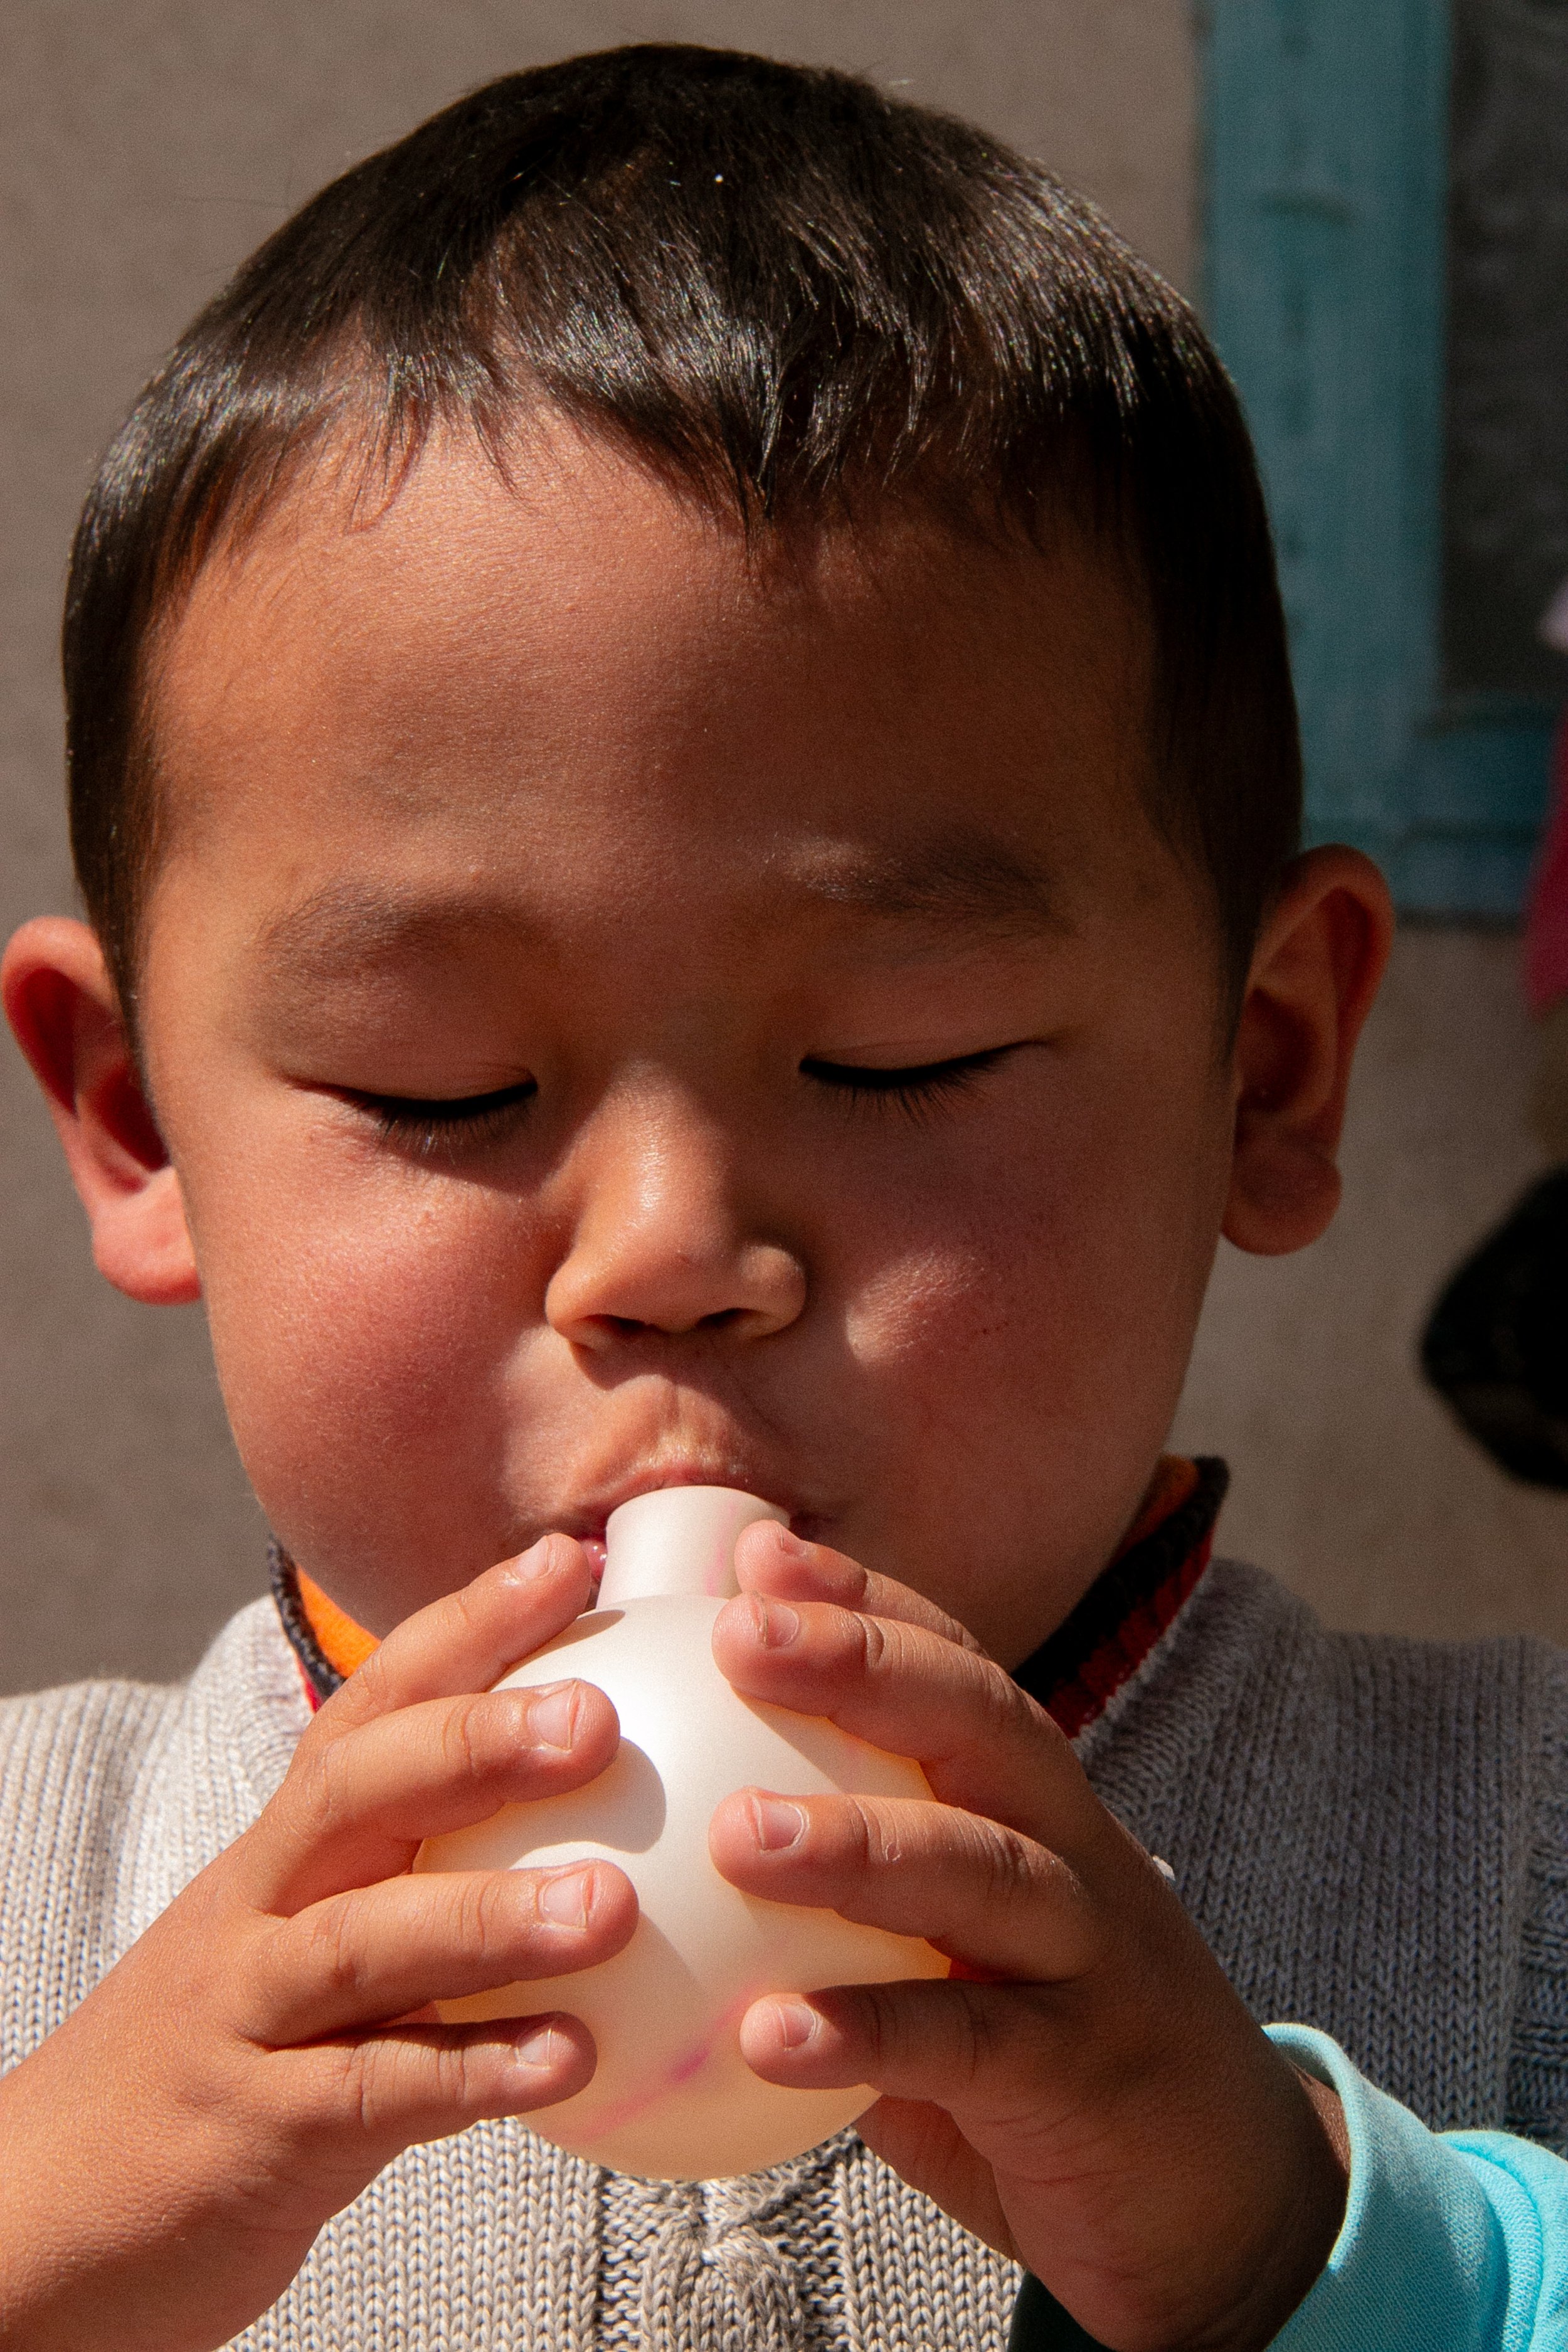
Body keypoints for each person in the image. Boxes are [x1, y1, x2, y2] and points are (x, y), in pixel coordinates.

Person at [0, 45, 1564, 2352]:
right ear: (141, 1129)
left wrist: (1314, 2253)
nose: (664, 1261)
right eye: (440, 1087)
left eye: (896, 1057)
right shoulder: (35, 1895)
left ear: (1263, 1068)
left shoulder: (1518, 1862)